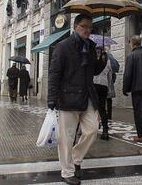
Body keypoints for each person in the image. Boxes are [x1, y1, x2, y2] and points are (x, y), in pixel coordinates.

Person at [48, 14, 107, 185]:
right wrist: (52, 99)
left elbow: (94, 71)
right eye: (84, 26)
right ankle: (67, 171)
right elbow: (54, 74)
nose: (88, 30)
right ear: (75, 27)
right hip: (68, 97)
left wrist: (101, 60)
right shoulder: (62, 47)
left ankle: (75, 158)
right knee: (67, 137)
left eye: (90, 27)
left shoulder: (91, 47)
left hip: (88, 95)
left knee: (92, 129)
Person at [93, 47, 115, 141]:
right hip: (104, 86)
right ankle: (105, 131)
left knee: (91, 107)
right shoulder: (108, 61)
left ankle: (89, 128)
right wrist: (109, 88)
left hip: (93, 85)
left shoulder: (93, 59)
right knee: (102, 109)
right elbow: (110, 76)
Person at [107, 52, 119, 120]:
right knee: (109, 99)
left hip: (100, 83)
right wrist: (112, 82)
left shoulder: (99, 56)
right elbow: (114, 74)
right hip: (109, 83)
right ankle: (109, 116)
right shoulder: (111, 57)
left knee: (101, 101)